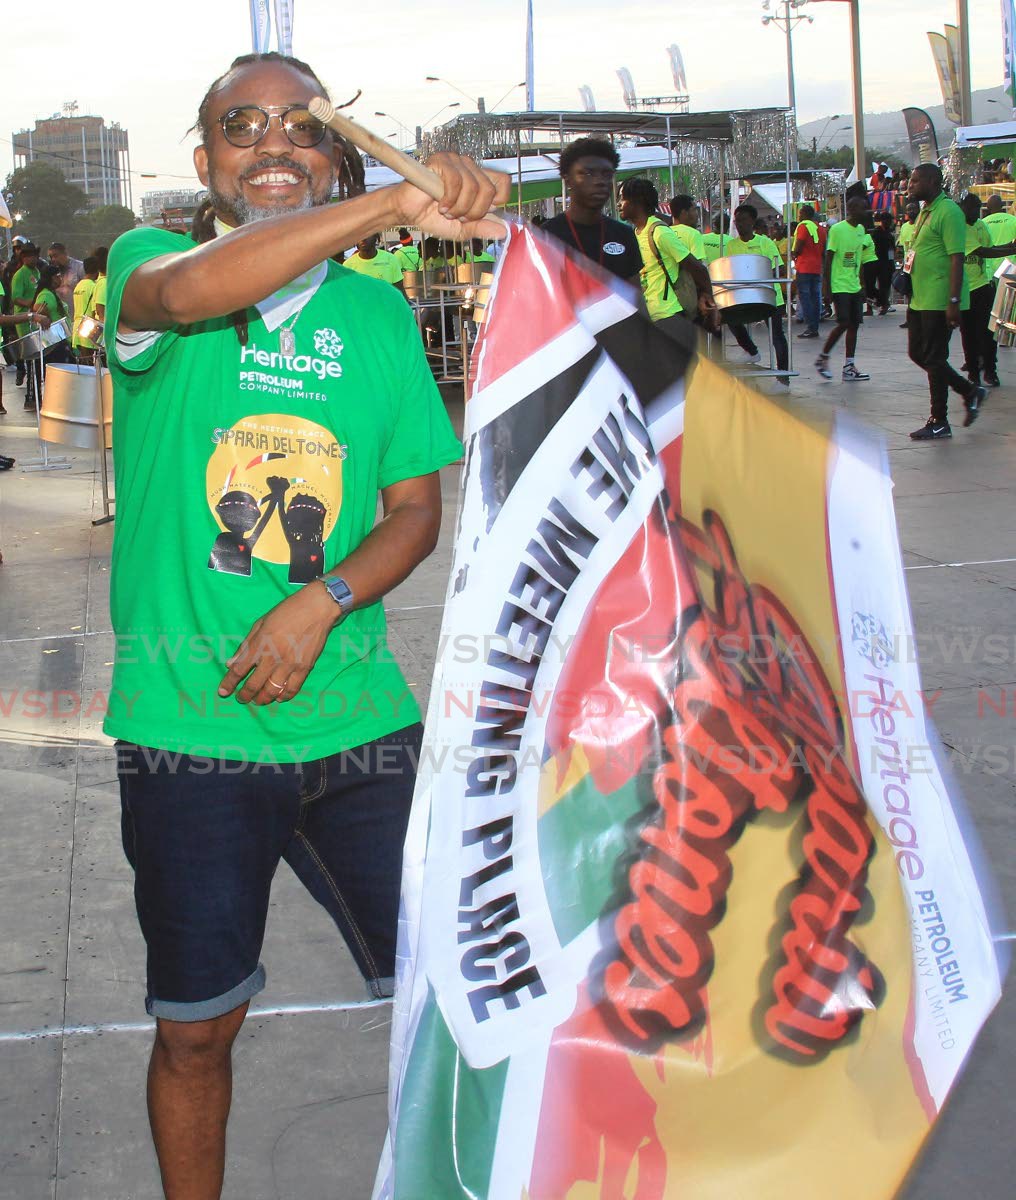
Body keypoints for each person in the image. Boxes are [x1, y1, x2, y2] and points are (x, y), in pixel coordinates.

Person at [103, 50, 508, 1200]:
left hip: (361, 733)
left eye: (301, 126)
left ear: (329, 151)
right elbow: (189, 296)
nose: (273, 144)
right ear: (206, 161)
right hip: (188, 731)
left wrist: (320, 602)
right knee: (195, 1030)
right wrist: (392, 198)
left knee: (458, 1006)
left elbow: (414, 513)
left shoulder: (378, 317)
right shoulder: (147, 267)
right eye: (244, 126)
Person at [905, 163, 985, 440]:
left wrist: (953, 300)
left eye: (915, 181)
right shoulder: (926, 211)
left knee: (935, 357)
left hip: (940, 300)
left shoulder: (949, 211)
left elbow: (957, 258)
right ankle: (970, 390)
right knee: (918, 353)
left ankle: (939, 420)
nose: (910, 185)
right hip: (920, 298)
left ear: (932, 181)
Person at [617, 176, 716, 339]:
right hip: (649, 317)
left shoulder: (659, 232)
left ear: (638, 201)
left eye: (623, 198)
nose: (619, 204)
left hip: (669, 317)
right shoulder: (635, 233)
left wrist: (707, 297)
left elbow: (697, 267)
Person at [542, 137, 641, 284]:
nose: (599, 181)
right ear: (568, 179)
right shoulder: (546, 237)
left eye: (607, 174)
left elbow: (635, 299)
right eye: (588, 173)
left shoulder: (623, 235)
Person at [720, 203, 789, 379]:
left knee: (777, 336)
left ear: (752, 221)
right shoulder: (731, 245)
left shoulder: (765, 243)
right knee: (729, 317)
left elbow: (778, 269)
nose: (739, 224)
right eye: (737, 221)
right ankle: (751, 350)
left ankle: (783, 378)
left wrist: (758, 276)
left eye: (743, 220)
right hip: (744, 296)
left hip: (769, 297)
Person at [815, 196, 871, 383]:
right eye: (863, 208)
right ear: (853, 208)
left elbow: (859, 259)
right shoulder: (838, 230)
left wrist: (862, 284)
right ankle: (823, 358)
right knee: (844, 323)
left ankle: (849, 366)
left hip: (853, 285)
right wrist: (827, 287)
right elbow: (829, 258)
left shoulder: (861, 230)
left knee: (854, 325)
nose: (866, 212)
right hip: (839, 285)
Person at [959, 194, 999, 390]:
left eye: (977, 208)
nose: (974, 213)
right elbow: (981, 252)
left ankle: (991, 370)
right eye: (971, 209)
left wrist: (1010, 246)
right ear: (963, 208)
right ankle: (974, 372)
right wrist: (1012, 250)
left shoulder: (981, 225)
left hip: (983, 285)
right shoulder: (959, 227)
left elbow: (990, 248)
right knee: (968, 333)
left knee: (989, 332)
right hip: (965, 288)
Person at [792, 203, 826, 339]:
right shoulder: (821, 229)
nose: (799, 216)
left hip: (804, 266)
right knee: (815, 297)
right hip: (816, 267)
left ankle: (810, 327)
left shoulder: (803, 226)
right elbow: (823, 250)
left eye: (800, 214)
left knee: (805, 298)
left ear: (805, 214)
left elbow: (799, 245)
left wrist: (793, 253)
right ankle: (815, 326)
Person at [11, 242, 41, 391]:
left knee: (38, 357)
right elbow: (16, 298)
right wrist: (32, 304)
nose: (33, 259)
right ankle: (30, 392)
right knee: (30, 356)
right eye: (29, 256)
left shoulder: (37, 271)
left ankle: (37, 389)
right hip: (24, 319)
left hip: (36, 318)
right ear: (23, 258)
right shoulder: (19, 275)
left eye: (34, 256)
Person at [48, 242, 85, 325]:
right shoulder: (52, 272)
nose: (53, 259)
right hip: (62, 320)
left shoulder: (80, 267)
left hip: (79, 317)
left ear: (65, 253)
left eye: (55, 256)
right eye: (51, 257)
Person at [72, 256, 101, 361]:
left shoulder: (78, 285)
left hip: (76, 327)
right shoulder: (94, 286)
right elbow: (95, 311)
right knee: (90, 364)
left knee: (82, 364)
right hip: (88, 327)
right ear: (97, 270)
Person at [669, 194, 706, 261]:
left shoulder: (664, 232)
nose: (697, 214)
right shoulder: (693, 234)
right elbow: (697, 268)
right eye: (694, 210)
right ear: (684, 213)